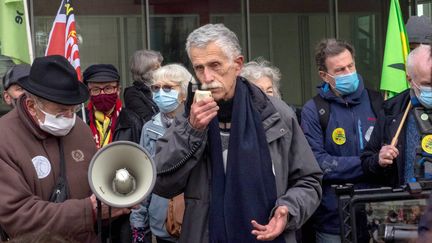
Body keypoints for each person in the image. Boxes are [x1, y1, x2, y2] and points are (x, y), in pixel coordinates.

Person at [152, 23, 322, 243]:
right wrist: (192, 131)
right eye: (199, 68)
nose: (208, 76)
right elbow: (161, 182)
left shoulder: (275, 113)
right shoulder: (189, 116)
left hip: (267, 235)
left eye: (215, 65)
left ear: (237, 64)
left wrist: (288, 209)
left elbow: (309, 180)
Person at [0, 55, 129, 242]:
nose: (69, 117)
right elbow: (17, 216)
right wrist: (89, 211)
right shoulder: (5, 138)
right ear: (31, 105)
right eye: (61, 111)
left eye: (73, 108)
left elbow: (95, 189)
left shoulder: (80, 129)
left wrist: (116, 200)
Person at [301, 38, 383, 243]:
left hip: (377, 215)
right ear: (324, 75)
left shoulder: (378, 101)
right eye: (340, 70)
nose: (348, 73)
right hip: (333, 219)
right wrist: (369, 163)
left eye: (350, 66)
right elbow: (319, 163)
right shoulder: (314, 110)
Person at [130, 64, 192, 243]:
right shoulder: (149, 128)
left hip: (194, 221)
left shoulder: (199, 124)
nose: (160, 93)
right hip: (161, 222)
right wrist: (138, 223)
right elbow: (143, 177)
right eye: (155, 88)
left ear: (183, 92)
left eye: (168, 88)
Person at [361, 44, 432, 186]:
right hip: (406, 204)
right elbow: (366, 163)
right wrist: (379, 160)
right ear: (409, 79)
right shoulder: (391, 110)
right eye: (427, 84)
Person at [83, 64, 123, 149]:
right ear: (88, 92)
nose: (102, 94)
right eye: (96, 89)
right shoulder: (79, 121)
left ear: (118, 90)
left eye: (108, 88)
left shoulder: (132, 122)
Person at [124, 49, 163, 123]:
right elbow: (147, 120)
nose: (162, 70)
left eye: (161, 66)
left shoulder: (162, 87)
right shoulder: (133, 93)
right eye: (156, 68)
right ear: (143, 71)